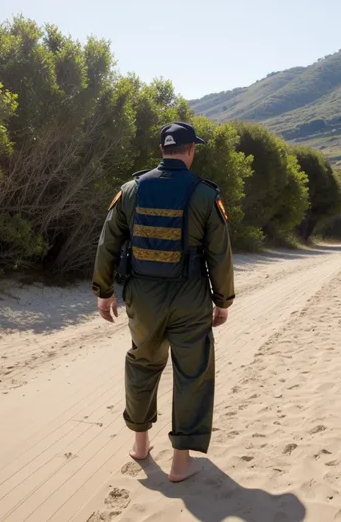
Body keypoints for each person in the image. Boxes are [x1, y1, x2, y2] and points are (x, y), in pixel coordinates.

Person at [91, 121, 235, 482]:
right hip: (190, 297)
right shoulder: (205, 194)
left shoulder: (130, 190)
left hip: (143, 296)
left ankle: (141, 444)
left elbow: (108, 243)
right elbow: (220, 254)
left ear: (161, 150)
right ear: (190, 150)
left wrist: (103, 291)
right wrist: (223, 300)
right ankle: (181, 460)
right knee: (193, 373)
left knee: (142, 363)